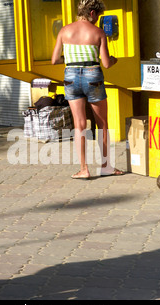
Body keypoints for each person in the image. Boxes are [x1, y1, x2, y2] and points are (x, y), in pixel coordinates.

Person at [51, 0, 124, 179]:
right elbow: (106, 63)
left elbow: (54, 60)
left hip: (70, 77)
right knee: (102, 124)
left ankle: (84, 169)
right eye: (98, 15)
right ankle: (106, 166)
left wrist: (70, 59)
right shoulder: (98, 32)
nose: (98, 19)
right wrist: (114, 60)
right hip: (93, 77)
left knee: (79, 125)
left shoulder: (64, 31)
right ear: (92, 13)